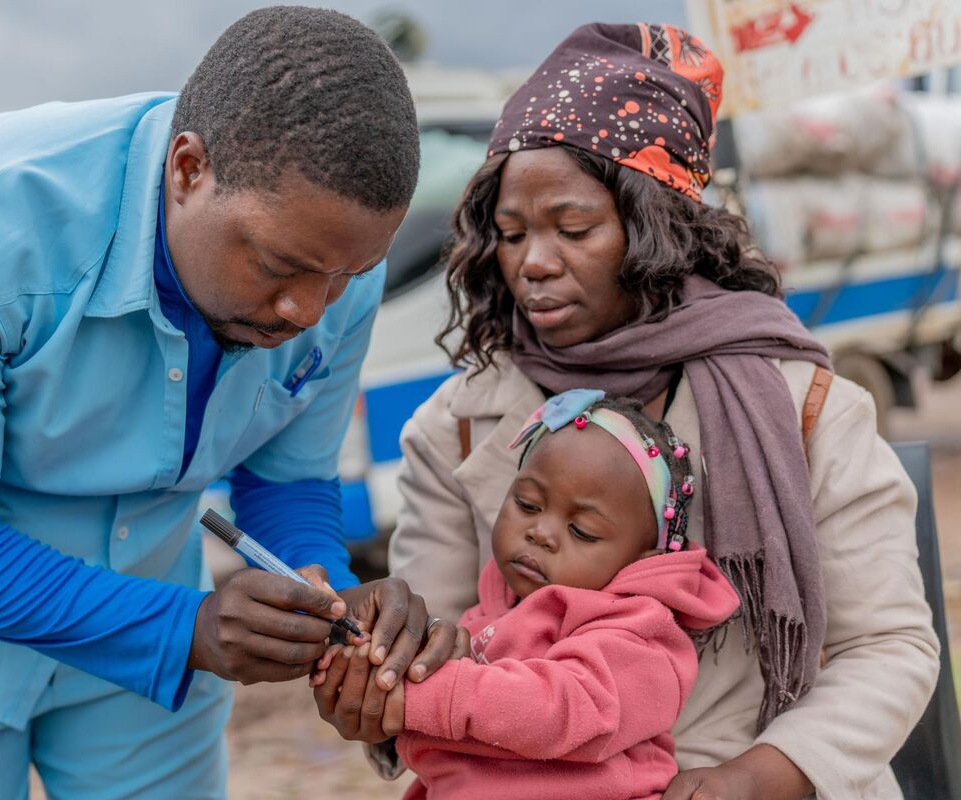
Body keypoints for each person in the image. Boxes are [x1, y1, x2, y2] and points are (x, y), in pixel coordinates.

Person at [0, 7, 460, 799]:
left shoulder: (333, 260)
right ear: (187, 170)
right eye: (280, 266)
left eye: (345, 278)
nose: (309, 311)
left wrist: (319, 592)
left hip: (148, 595)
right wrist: (185, 631)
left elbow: (287, 481)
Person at [314, 21, 940, 800]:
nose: (534, 264)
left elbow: (888, 646)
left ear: (655, 230)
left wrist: (760, 777)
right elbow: (436, 647)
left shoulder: (803, 409)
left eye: (573, 229)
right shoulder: (461, 425)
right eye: (510, 235)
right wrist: (378, 696)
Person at [316, 390, 739, 800]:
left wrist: (425, 694)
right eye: (528, 504)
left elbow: (564, 710)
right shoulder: (489, 611)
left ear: (641, 559)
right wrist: (369, 674)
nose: (541, 533)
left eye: (582, 532)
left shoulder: (641, 633)